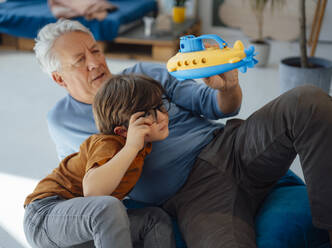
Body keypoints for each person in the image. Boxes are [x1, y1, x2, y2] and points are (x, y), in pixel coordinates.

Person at [35, 19, 332, 247]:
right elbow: (88, 190)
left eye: (95, 50)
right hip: (193, 195)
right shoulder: (62, 123)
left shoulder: (145, 72)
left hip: (233, 146)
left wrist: (228, 87)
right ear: (59, 78)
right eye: (80, 61)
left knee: (307, 100)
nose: (95, 62)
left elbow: (219, 107)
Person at [23, 74, 176, 248]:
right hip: (45, 217)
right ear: (122, 132)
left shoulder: (143, 147)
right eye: (148, 115)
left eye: (161, 107)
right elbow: (93, 193)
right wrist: (131, 147)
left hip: (82, 229)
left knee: (154, 219)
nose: (162, 117)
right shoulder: (108, 143)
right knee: (108, 207)